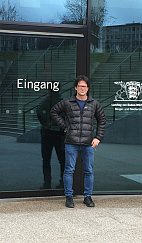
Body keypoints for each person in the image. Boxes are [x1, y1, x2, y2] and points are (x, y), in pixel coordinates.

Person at [50, 75, 106, 208]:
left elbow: (102, 120)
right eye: (80, 86)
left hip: (88, 143)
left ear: (87, 88)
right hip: (71, 142)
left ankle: (88, 197)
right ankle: (69, 197)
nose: (82, 88)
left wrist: (98, 137)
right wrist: (64, 126)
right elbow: (54, 111)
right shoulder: (68, 102)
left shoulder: (94, 104)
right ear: (75, 87)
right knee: (69, 170)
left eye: (84, 86)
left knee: (89, 171)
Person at [36, 89, 65, 189]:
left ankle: (47, 183)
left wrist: (45, 124)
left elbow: (39, 112)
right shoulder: (63, 102)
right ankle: (63, 182)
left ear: (49, 90)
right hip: (60, 134)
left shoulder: (45, 102)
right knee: (62, 160)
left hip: (47, 133)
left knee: (46, 160)